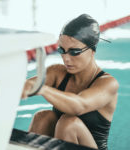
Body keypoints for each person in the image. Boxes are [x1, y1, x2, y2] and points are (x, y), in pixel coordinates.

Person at [22, 14, 119, 150]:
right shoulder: (57, 72)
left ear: (92, 50)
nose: (66, 58)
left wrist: (42, 88)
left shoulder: (108, 84)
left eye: (74, 51)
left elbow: (78, 106)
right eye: (62, 50)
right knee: (43, 116)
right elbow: (23, 86)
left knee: (69, 123)